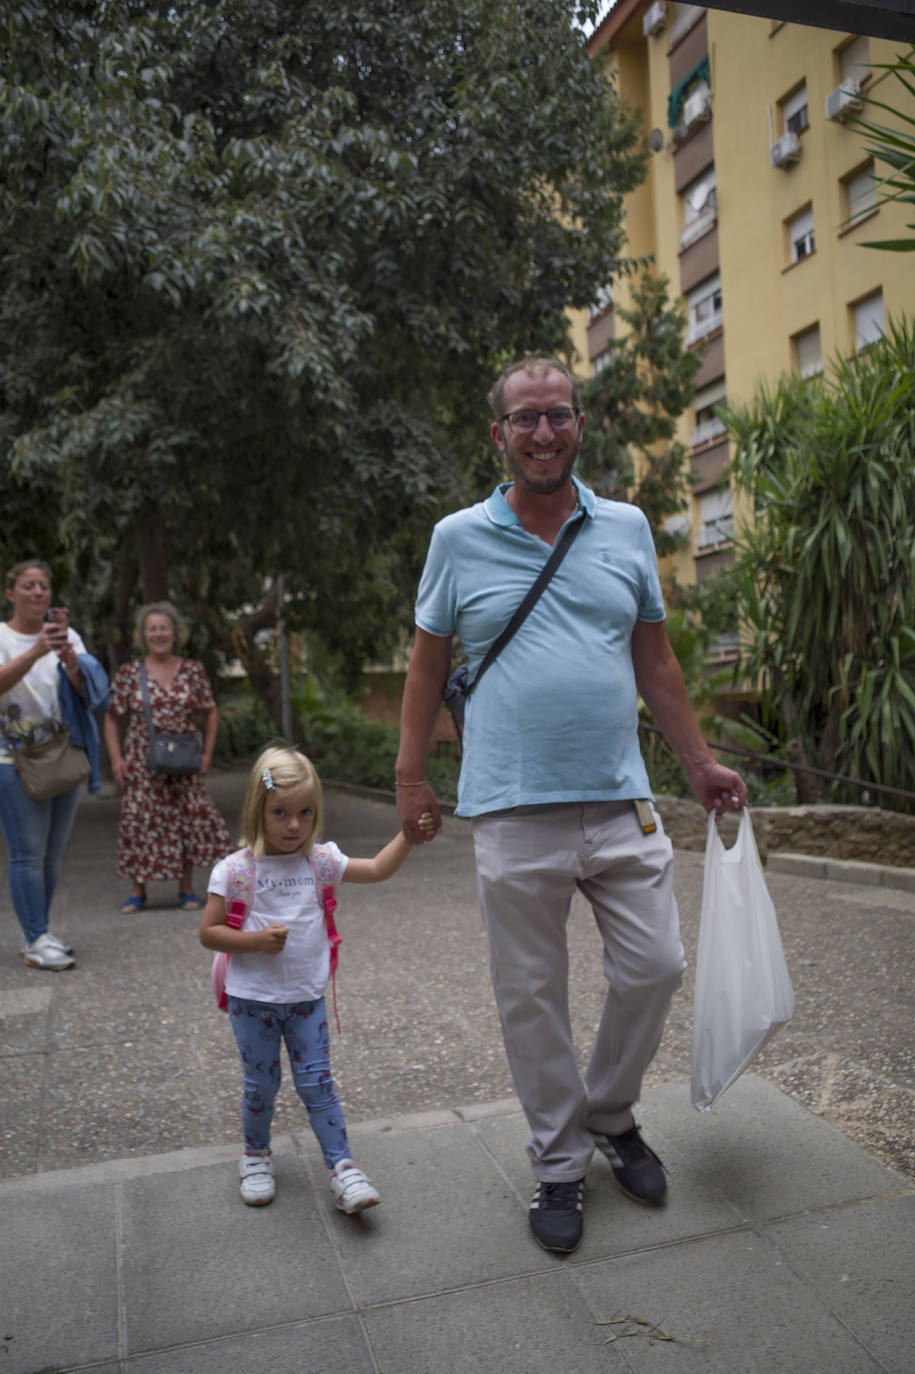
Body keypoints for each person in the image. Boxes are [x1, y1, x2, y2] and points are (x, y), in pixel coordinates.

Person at [395, 355, 748, 1254]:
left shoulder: (626, 528)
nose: (543, 432)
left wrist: (698, 761)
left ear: (579, 425)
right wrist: (409, 775)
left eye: (557, 415)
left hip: (621, 797)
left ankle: (609, 1111)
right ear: (499, 435)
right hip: (513, 808)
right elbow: (429, 666)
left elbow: (656, 660)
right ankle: (558, 1164)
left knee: (656, 965)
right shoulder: (457, 538)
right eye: (525, 419)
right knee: (532, 994)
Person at [199, 744, 434, 1210]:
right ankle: (255, 1155)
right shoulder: (235, 871)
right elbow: (209, 932)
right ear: (256, 811)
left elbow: (377, 868)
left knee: (317, 1083)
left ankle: (343, 1168)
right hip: (252, 1000)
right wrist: (255, 941)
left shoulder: (320, 862)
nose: (294, 825)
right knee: (260, 1085)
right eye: (280, 813)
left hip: (306, 1000)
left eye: (305, 813)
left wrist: (407, 836)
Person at [0, 559, 108, 970]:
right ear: (11, 593)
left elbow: (86, 692)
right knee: (26, 853)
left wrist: (72, 662)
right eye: (27, 585)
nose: (37, 593)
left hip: (61, 755)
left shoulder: (69, 636)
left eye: (43, 586)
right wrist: (36, 651)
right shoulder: (4, 637)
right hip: (13, 758)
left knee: (51, 854)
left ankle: (40, 931)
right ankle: (34, 938)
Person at [103, 601, 230, 912]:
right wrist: (117, 759)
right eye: (152, 629)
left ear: (175, 633)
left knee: (185, 821)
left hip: (184, 761)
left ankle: (186, 890)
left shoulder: (192, 671)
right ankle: (137, 891)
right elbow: (111, 717)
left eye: (164, 628)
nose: (159, 634)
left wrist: (207, 753)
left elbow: (210, 711)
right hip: (142, 761)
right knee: (140, 823)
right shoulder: (129, 673)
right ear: (143, 635)